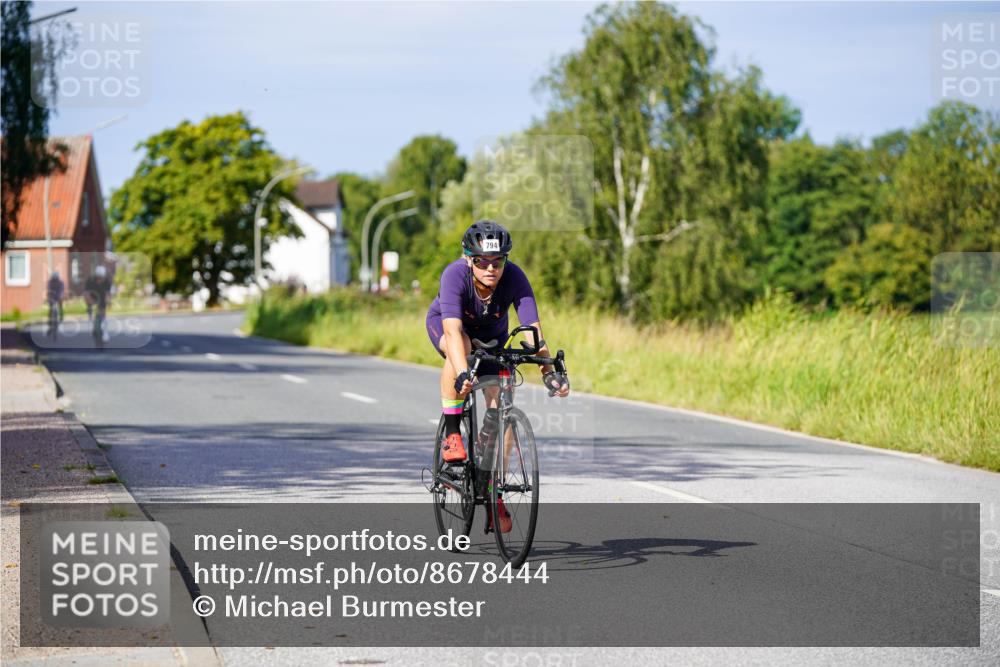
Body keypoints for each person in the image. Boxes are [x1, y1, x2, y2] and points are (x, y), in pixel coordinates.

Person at [425, 220, 570, 532]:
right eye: (482, 261)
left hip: (492, 336)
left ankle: (494, 488)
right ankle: (452, 432)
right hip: (449, 328)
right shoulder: (454, 275)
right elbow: (451, 330)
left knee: (503, 403)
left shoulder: (515, 276)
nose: (491, 268)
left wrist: (548, 370)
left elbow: (533, 329)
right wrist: (463, 371)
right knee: (459, 346)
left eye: (498, 261)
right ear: (469, 260)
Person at [46, 271, 65, 336]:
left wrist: (61, 296)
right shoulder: (50, 282)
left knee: (60, 304)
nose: (55, 279)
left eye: (56, 278)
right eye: (54, 278)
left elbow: (62, 290)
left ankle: (61, 315)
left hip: (58, 296)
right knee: (51, 309)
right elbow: (48, 289)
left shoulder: (60, 282)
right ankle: (49, 323)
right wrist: (50, 297)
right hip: (52, 297)